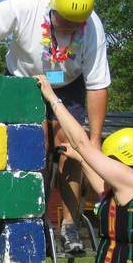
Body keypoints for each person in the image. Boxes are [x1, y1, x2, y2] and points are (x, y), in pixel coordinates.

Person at [0, 0, 111, 253]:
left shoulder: (92, 27)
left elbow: (98, 85)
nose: (68, 28)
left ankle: (69, 225)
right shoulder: (27, 4)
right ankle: (33, 215)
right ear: (52, 8)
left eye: (74, 25)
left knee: (73, 145)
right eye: (63, 21)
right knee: (34, 139)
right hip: (23, 81)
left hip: (69, 85)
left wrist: (95, 142)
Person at [36, 74, 133, 262]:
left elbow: (82, 143)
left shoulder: (128, 179)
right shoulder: (119, 190)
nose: (104, 164)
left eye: (110, 159)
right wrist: (80, 158)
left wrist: (53, 99)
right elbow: (97, 180)